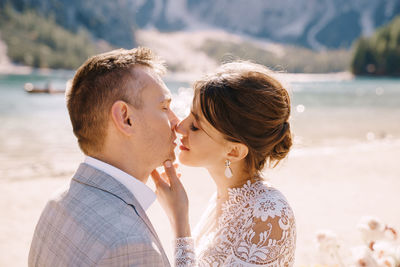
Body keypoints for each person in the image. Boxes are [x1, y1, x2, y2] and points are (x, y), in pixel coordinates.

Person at [28, 47, 179, 266]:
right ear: (126, 118)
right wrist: (181, 226)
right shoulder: (130, 244)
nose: (177, 122)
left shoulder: (56, 203)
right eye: (164, 107)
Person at [152, 61, 296, 266]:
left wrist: (179, 220)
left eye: (195, 126)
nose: (180, 127)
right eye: (188, 115)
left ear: (234, 151)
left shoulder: (269, 213)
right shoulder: (222, 200)